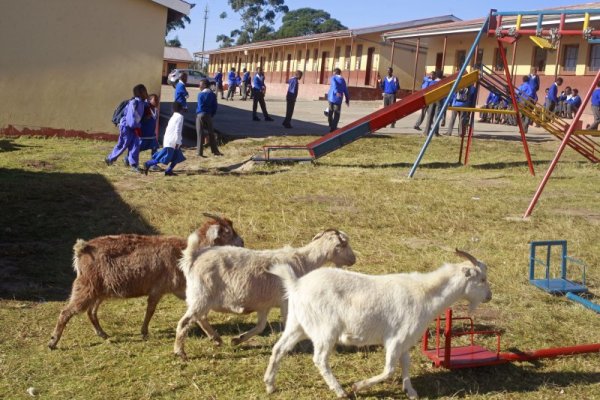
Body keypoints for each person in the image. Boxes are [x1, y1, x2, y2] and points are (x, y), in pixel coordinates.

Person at [105, 84, 147, 172]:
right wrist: (136, 126)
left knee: (135, 145)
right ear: (139, 93)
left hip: (134, 127)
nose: (145, 92)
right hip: (127, 127)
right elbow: (130, 118)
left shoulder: (142, 103)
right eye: (144, 91)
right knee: (123, 144)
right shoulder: (134, 103)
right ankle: (110, 158)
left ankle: (134, 165)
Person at [143, 102, 186, 176]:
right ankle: (148, 163)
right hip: (172, 141)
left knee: (177, 156)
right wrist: (178, 141)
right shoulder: (180, 117)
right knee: (164, 157)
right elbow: (177, 130)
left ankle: (168, 171)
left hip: (169, 140)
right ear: (181, 109)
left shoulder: (173, 117)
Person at [195, 79, 222, 157]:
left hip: (200, 114)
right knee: (211, 133)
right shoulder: (212, 94)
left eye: (200, 85)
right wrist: (211, 114)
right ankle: (215, 151)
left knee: (200, 133)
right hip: (209, 115)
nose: (199, 86)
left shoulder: (200, 94)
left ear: (204, 85)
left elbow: (200, 106)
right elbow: (215, 106)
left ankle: (199, 152)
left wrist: (199, 113)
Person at [138, 93, 160, 165]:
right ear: (149, 100)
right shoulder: (145, 109)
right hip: (144, 135)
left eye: (157, 100)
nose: (157, 101)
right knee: (137, 149)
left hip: (152, 135)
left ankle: (153, 164)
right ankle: (128, 159)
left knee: (155, 148)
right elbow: (140, 120)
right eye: (155, 100)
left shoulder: (156, 110)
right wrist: (145, 118)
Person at [327, 68, 350, 132]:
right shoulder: (343, 80)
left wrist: (336, 92)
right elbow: (345, 90)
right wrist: (347, 99)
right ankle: (333, 128)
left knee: (330, 112)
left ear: (334, 72)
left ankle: (331, 124)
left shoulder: (333, 78)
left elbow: (334, 85)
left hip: (331, 98)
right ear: (340, 73)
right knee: (337, 114)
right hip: (338, 99)